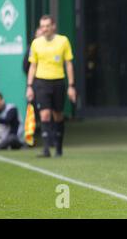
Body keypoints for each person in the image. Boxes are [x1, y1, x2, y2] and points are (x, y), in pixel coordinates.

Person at [26, 15, 76, 158]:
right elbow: (33, 66)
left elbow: (69, 64)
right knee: (45, 114)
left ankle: (59, 148)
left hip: (58, 81)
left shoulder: (63, 41)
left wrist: (71, 86)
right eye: (42, 26)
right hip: (41, 82)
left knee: (57, 115)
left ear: (53, 26)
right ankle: (46, 149)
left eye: (47, 26)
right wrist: (29, 86)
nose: (45, 29)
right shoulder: (36, 43)